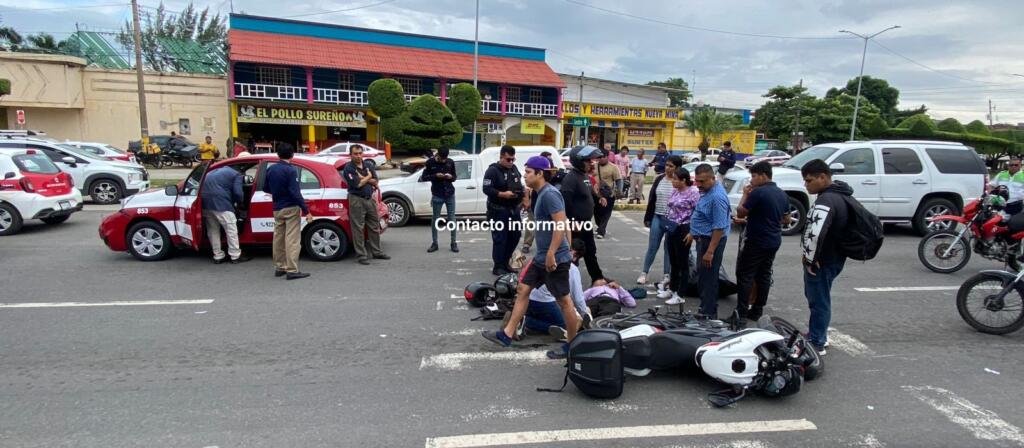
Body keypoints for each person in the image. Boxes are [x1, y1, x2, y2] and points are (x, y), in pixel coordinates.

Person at [483, 156, 579, 360]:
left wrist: (554, 253)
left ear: (540, 174)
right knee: (523, 289)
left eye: (528, 172)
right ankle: (506, 334)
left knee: (564, 302)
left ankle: (573, 344)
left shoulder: (550, 194)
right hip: (541, 257)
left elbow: (561, 223)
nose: (524, 175)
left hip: (554, 258)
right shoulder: (539, 193)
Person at [800, 159, 855, 356]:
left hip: (823, 260)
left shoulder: (826, 200)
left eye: (809, 181)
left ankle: (817, 341)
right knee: (820, 298)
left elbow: (817, 231)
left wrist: (810, 259)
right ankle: (818, 333)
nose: (806, 185)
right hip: (833, 257)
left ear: (823, 177)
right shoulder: (839, 195)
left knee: (819, 300)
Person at [730, 161, 790, 326]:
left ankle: (741, 313)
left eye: (754, 176)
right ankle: (757, 310)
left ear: (763, 175)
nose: (752, 180)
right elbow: (787, 219)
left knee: (745, 275)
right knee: (764, 274)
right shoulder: (781, 193)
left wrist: (745, 194)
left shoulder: (759, 192)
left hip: (756, 239)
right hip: (773, 239)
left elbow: (741, 210)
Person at [515, 238, 590, 341]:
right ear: (575, 256)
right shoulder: (570, 267)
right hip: (544, 303)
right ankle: (526, 322)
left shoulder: (542, 257)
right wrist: (585, 314)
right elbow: (578, 299)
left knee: (556, 310)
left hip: (526, 300)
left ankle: (519, 318)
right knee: (568, 325)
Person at [685, 163, 731, 317]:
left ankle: (709, 314)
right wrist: (693, 232)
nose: (698, 184)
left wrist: (710, 251)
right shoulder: (708, 190)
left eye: (702, 181)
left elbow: (719, 227)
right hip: (703, 239)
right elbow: (702, 213)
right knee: (703, 278)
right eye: (697, 181)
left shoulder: (717, 197)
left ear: (713, 178)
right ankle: (705, 309)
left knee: (708, 280)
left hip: (711, 242)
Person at [262, 143, 309, 280]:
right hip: (291, 206)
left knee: (278, 238)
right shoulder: (291, 170)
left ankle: (279, 267)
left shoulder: (271, 169)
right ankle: (292, 269)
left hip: (277, 207)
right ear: (292, 154)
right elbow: (295, 192)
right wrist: (306, 210)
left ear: (278, 155)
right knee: (292, 240)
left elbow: (265, 187)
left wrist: (277, 193)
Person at [561, 145, 605, 284]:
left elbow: (589, 193)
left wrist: (599, 198)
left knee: (590, 251)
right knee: (574, 254)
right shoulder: (571, 178)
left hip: (585, 223)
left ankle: (597, 278)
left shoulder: (583, 176)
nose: (591, 163)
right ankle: (566, 282)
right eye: (588, 161)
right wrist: (572, 221)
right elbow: (565, 203)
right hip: (576, 225)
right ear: (579, 161)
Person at [638, 156, 683, 286]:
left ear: (677, 168)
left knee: (668, 249)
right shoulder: (659, 179)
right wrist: (648, 217)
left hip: (672, 220)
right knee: (652, 247)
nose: (667, 168)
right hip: (657, 217)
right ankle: (644, 273)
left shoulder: (679, 182)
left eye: (671, 166)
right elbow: (652, 199)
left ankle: (666, 275)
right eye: (666, 165)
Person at [342, 144, 389, 265]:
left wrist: (365, 179)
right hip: (356, 200)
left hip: (370, 199)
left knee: (374, 226)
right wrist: (368, 177)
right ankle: (361, 255)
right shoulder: (349, 168)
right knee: (358, 228)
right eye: (355, 154)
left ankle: (377, 252)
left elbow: (375, 181)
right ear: (350, 155)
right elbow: (357, 184)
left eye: (360, 153)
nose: (358, 156)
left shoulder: (368, 165)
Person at [483, 145, 525, 275]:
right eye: (508, 159)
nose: (511, 162)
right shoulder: (493, 170)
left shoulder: (514, 169)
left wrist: (522, 196)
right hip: (498, 209)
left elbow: (520, 184)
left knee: (515, 236)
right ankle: (498, 266)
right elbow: (487, 189)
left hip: (513, 208)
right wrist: (502, 194)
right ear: (501, 157)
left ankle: (506, 262)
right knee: (500, 239)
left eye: (513, 159)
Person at [662, 166, 700, 305]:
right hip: (672, 226)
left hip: (684, 228)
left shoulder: (693, 193)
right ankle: (672, 289)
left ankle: (681, 293)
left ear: (683, 180)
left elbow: (697, 212)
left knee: (682, 262)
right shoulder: (675, 191)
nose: (672, 181)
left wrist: (693, 231)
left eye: (675, 179)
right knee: (673, 260)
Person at [200, 164, 250, 264]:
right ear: (241, 170)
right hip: (222, 204)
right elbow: (238, 193)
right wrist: (239, 204)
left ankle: (218, 256)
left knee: (213, 230)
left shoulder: (214, 171)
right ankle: (235, 255)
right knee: (231, 229)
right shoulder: (237, 175)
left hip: (205, 204)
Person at [420, 147, 458, 253]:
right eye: (442, 158)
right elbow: (424, 177)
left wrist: (451, 177)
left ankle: (453, 242)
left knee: (452, 218)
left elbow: (455, 177)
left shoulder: (450, 162)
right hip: (437, 194)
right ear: (438, 155)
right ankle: (435, 243)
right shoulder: (430, 162)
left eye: (445, 158)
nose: (444, 160)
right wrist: (435, 176)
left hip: (450, 193)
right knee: (436, 219)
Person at [594, 151, 622, 238]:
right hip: (596, 194)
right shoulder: (594, 166)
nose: (601, 159)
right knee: (596, 213)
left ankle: (601, 231)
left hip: (608, 195)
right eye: (599, 157)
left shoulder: (613, 167)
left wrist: (619, 191)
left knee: (606, 213)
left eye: (603, 157)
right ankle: (600, 227)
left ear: (607, 157)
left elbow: (618, 180)